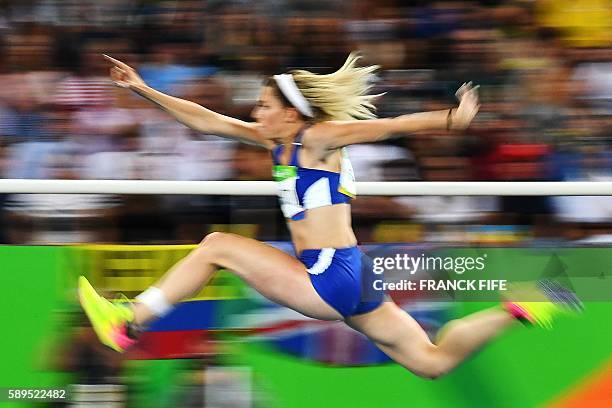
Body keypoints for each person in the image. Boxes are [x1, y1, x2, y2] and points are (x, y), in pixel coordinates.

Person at [79, 53, 581, 380]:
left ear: (292, 113)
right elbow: (206, 120)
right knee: (432, 362)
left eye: (262, 106)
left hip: (328, 275)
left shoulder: (318, 139)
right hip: (353, 273)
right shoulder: (272, 141)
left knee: (215, 245)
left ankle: (130, 321)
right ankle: (522, 307)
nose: (254, 113)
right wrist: (143, 89)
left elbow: (389, 126)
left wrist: (453, 120)